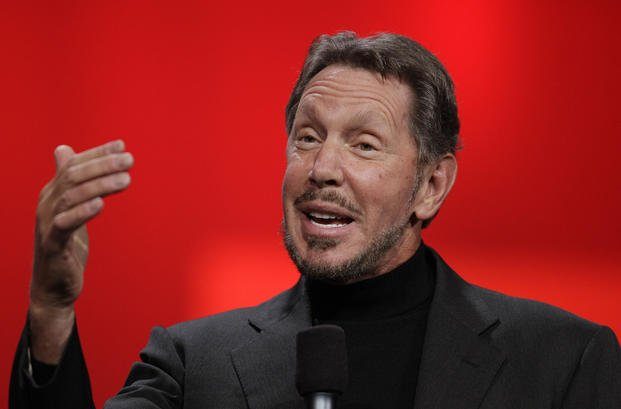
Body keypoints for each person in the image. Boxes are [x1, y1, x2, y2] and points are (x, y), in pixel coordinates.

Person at [9, 31, 621, 409]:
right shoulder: (194, 363)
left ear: (431, 186)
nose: (322, 168)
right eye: (307, 137)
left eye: (363, 144)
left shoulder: (564, 360)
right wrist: (51, 309)